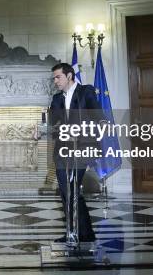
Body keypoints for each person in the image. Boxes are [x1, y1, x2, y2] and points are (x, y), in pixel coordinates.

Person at [50, 62, 101, 243]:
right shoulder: (56, 99)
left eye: (58, 77)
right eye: (54, 78)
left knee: (71, 190)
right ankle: (80, 233)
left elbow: (98, 119)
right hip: (62, 152)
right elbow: (53, 125)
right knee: (66, 192)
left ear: (70, 75)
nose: (55, 81)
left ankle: (78, 233)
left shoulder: (86, 92)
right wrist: (41, 131)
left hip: (82, 149)